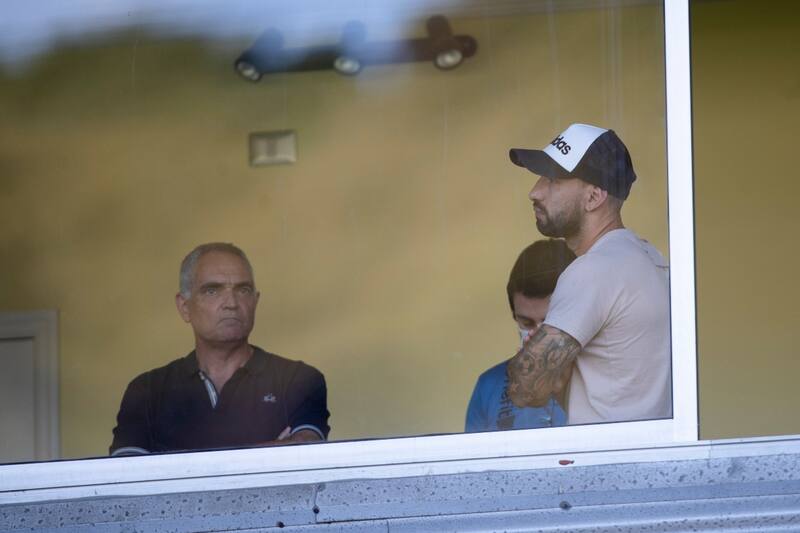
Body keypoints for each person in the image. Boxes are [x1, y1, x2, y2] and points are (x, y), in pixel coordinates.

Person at [506, 123, 671, 424]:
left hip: (611, 452)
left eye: (553, 180)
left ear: (594, 197)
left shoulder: (594, 270)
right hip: (645, 447)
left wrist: (538, 362)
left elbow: (525, 390)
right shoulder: (651, 259)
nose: (535, 191)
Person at [110, 242, 329, 456]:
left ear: (255, 301)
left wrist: (175, 462)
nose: (231, 303)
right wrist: (270, 451)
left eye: (243, 290)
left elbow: (306, 453)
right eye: (212, 291)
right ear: (184, 307)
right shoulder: (147, 391)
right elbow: (124, 473)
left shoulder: (298, 379)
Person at [465, 239, 575, 432]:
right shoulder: (489, 385)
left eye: (549, 323)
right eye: (526, 323)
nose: (537, 335)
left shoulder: (607, 381)